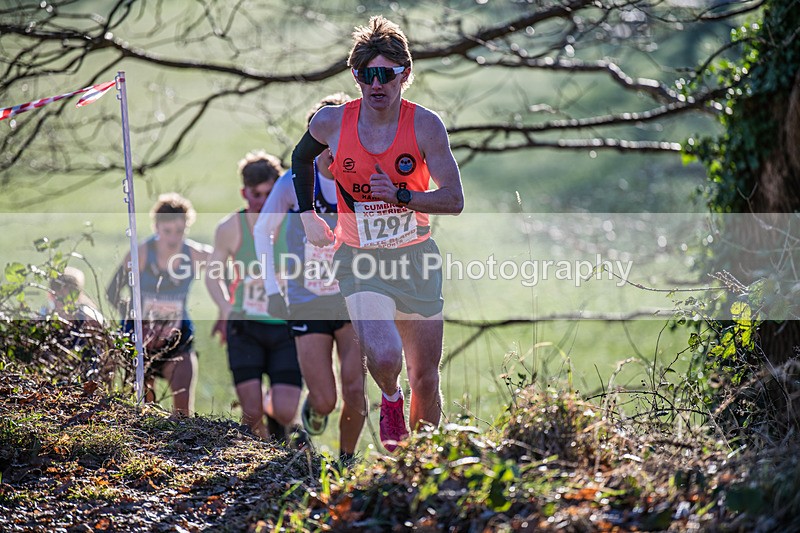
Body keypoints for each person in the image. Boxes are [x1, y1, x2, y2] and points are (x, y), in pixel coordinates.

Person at [290, 16, 464, 452]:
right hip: (359, 257)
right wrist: (308, 215)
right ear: (356, 77)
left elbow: (454, 199)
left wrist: (404, 195)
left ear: (405, 74)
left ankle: (419, 464)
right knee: (385, 357)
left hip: (415, 257)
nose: (376, 84)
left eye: (386, 74)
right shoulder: (333, 122)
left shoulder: (425, 126)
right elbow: (300, 157)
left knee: (425, 376)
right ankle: (390, 397)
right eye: (367, 75)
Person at [254, 93, 366, 464]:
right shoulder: (292, 183)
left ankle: (346, 461)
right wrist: (273, 289)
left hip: (355, 296)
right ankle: (313, 412)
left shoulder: (362, 176)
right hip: (308, 298)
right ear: (313, 139)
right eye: (324, 138)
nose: (333, 146)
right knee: (326, 400)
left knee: (355, 388)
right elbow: (261, 232)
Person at [205, 151, 303, 441]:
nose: (261, 202)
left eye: (269, 194)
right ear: (243, 192)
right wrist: (225, 308)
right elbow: (213, 274)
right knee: (251, 414)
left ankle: (280, 425)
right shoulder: (230, 228)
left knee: (285, 412)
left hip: (286, 328)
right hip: (245, 326)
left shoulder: (295, 223)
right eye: (255, 195)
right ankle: (263, 467)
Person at [107, 192, 211, 416]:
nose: (173, 238)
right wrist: (135, 316)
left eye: (180, 231)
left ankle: (181, 447)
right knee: (144, 410)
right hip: (139, 341)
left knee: (183, 411)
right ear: (156, 227)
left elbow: (227, 261)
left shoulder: (193, 253)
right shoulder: (142, 254)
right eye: (167, 231)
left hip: (176, 340)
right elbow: (112, 291)